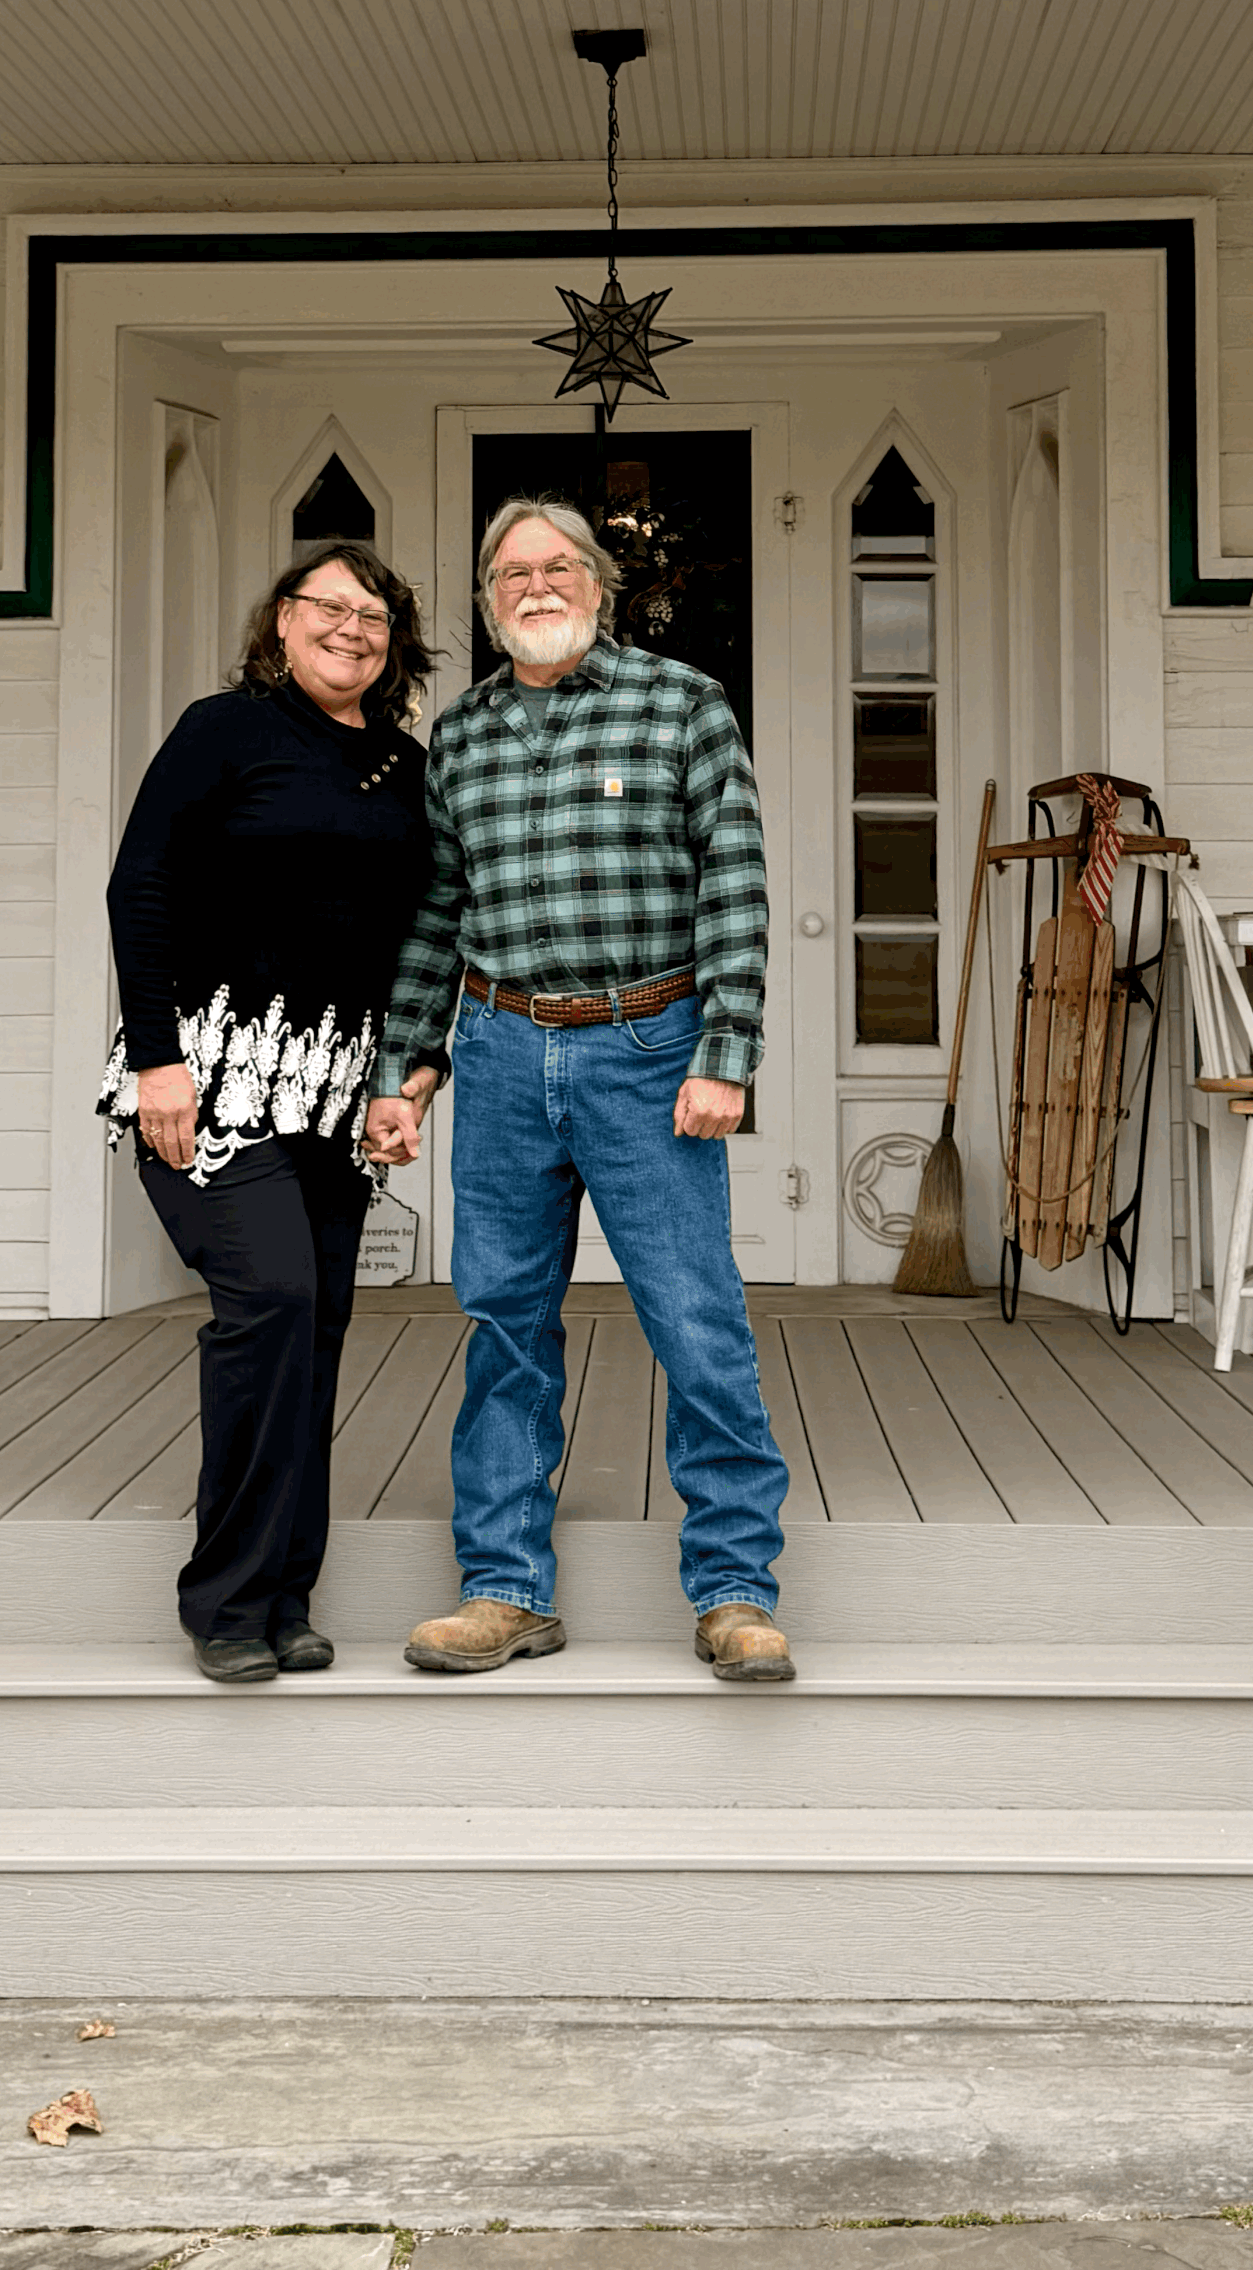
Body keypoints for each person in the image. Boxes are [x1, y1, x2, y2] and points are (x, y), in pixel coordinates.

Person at [369, 497, 794, 1685]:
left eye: (557, 567)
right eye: (511, 574)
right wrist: (406, 1068)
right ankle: (504, 1590)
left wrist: (726, 1053)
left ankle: (735, 1593)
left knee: (693, 1319)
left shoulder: (682, 704)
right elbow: (438, 913)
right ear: (486, 601)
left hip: (648, 1048)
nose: (536, 587)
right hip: (500, 1049)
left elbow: (734, 882)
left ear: (599, 587)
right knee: (504, 1325)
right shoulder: (461, 735)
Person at [101, 542, 433, 1685]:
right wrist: (156, 1060)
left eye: (375, 616)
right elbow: (139, 885)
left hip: (337, 1096)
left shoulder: (402, 765)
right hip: (210, 1082)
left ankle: (288, 1595)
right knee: (272, 1304)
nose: (352, 628)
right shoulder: (223, 730)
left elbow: (420, 934)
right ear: (281, 621)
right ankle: (226, 1601)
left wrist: (411, 1076)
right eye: (328, 606)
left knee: (315, 1333)